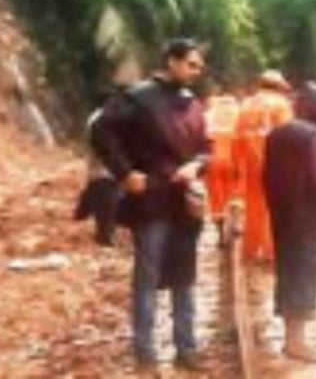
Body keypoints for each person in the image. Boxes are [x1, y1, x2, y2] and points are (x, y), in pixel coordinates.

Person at [90, 38, 210, 371]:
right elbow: (101, 130)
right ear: (171, 61)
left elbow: (206, 146)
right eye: (191, 64)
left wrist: (198, 165)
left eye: (200, 66)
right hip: (151, 200)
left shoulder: (191, 102)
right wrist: (125, 173)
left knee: (185, 276)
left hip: (185, 201)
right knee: (148, 277)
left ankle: (186, 349)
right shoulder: (138, 98)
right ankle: (146, 354)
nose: (196, 72)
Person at [263, 84, 316, 362]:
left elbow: (265, 175)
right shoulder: (315, 137)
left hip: (282, 215)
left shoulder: (276, 134)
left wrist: (276, 206)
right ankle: (296, 343)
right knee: (304, 273)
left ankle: (292, 337)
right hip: (306, 217)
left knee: (288, 271)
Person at [235, 70, 294, 263]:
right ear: (278, 87)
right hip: (277, 164)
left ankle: (251, 250)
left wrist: (239, 166)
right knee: (276, 208)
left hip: (251, 165)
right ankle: (272, 251)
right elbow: (288, 136)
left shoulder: (246, 105)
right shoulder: (281, 105)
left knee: (254, 208)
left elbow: (238, 139)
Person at [75, 88, 125, 247]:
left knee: (103, 198)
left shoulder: (96, 117)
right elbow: (106, 146)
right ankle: (104, 236)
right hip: (104, 168)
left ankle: (87, 216)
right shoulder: (101, 119)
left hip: (101, 168)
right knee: (107, 203)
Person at [204, 91, 241, 247]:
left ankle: (221, 233)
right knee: (235, 194)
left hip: (213, 161)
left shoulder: (208, 115)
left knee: (216, 198)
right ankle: (235, 224)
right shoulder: (239, 113)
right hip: (234, 159)